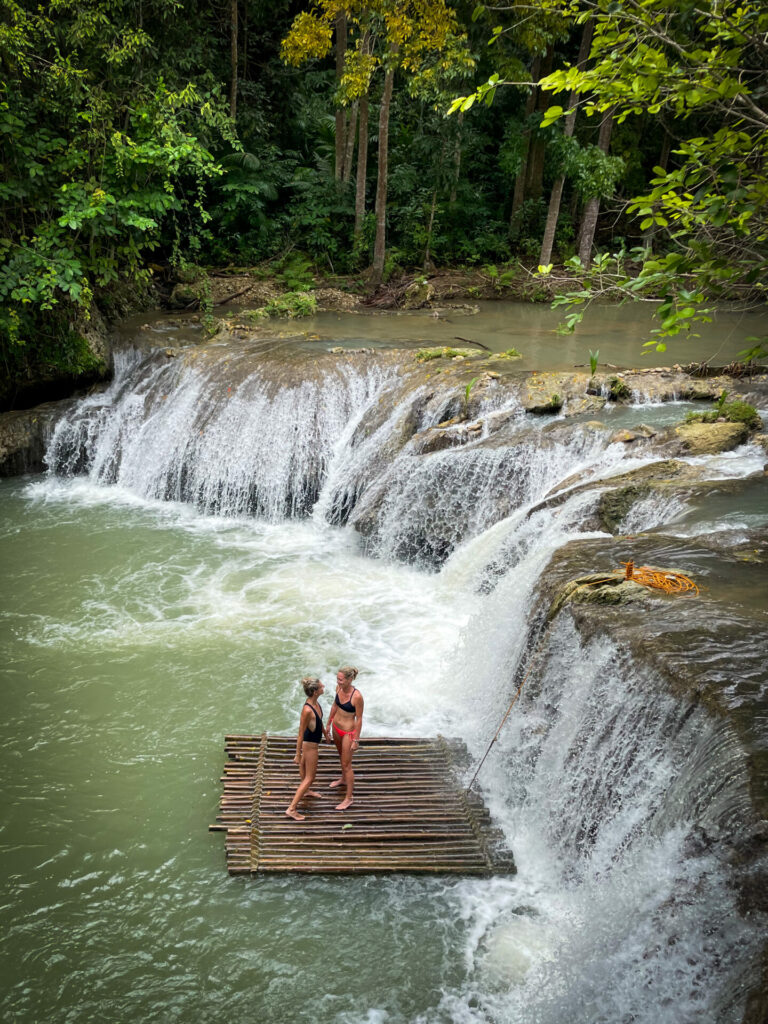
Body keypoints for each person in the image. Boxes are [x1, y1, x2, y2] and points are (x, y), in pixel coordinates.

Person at [286, 676, 331, 821]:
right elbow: (300, 733)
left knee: (306, 774)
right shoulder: (307, 710)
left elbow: (320, 722)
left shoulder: (316, 704)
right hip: (309, 746)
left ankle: (307, 791)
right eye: (321, 686)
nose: (323, 686)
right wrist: (297, 754)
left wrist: (325, 734)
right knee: (310, 777)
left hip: (312, 743)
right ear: (315, 691)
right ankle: (291, 809)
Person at [327, 666, 364, 811]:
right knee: (341, 757)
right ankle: (343, 779)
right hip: (336, 728)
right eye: (338, 678)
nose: (339, 681)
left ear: (350, 679)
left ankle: (349, 798)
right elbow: (335, 706)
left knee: (346, 764)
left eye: (341, 679)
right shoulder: (338, 688)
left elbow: (359, 719)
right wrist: (329, 724)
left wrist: (356, 739)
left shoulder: (357, 697)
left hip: (348, 733)